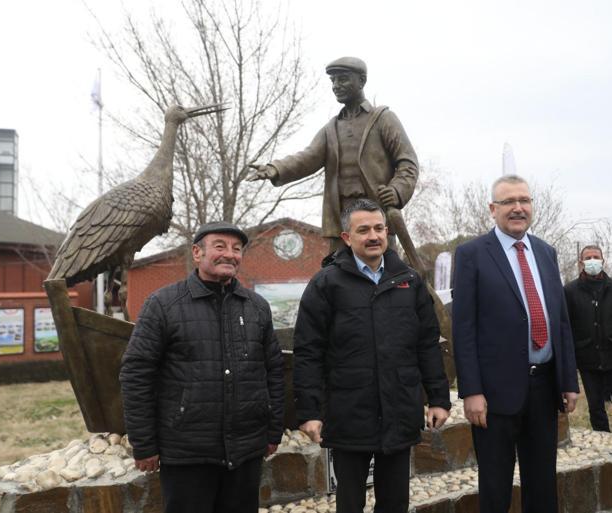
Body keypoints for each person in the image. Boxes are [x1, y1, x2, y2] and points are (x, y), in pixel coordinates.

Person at [293, 198, 450, 513]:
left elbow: (427, 344)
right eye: (363, 230)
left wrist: (438, 398)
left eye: (379, 228)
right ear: (347, 238)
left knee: (395, 503)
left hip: (400, 408)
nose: (373, 236)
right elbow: (308, 350)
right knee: (350, 504)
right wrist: (310, 411)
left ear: (387, 232)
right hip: (349, 412)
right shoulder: (326, 283)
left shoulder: (409, 281)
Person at [120, 221, 284, 513]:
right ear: (197, 253)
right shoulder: (163, 304)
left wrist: (273, 432)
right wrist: (144, 444)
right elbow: (136, 374)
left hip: (245, 452)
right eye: (220, 246)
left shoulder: (257, 307)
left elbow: (273, 371)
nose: (230, 254)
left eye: (236, 249)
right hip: (186, 454)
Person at [452, 174, 578, 513]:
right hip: (494, 395)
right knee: (495, 487)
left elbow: (560, 322)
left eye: (524, 200)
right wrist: (471, 391)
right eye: (509, 202)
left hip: (544, 387)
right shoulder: (471, 255)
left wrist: (568, 381)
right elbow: (462, 328)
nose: (518, 208)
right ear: (493, 209)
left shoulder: (546, 252)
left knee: (542, 484)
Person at [248, 56, 418, 249]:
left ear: (362, 81)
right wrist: (275, 169)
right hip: (341, 217)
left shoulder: (383, 119)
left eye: (343, 79)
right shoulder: (332, 128)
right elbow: (308, 157)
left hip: (376, 217)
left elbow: (408, 162)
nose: (336, 85)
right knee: (338, 274)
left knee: (385, 274)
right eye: (333, 81)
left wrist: (396, 190)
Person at [564, 245, 612, 434]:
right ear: (581, 262)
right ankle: (603, 441)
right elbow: (566, 325)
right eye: (588, 257)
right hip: (587, 357)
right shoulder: (570, 290)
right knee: (596, 407)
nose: (592, 260)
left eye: (596, 257)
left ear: (603, 260)